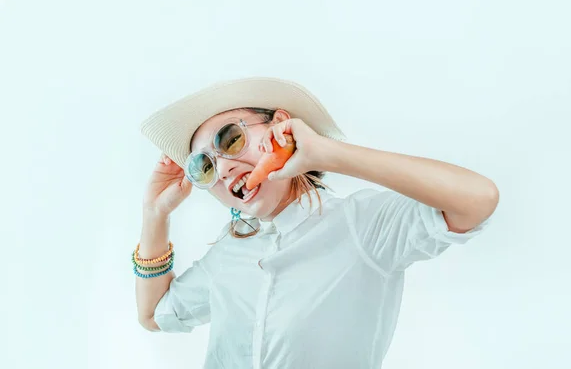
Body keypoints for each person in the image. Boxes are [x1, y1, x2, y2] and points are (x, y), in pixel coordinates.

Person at [134, 77, 499, 369]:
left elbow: (477, 199)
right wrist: (155, 214)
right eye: (205, 166)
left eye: (231, 139)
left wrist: (326, 151)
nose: (224, 167)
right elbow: (154, 314)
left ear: (280, 127)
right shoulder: (229, 252)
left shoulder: (362, 226)